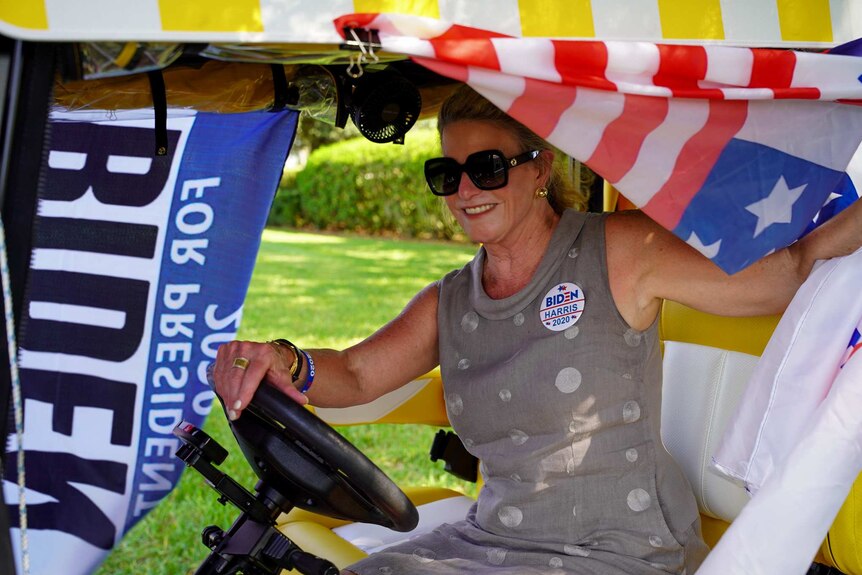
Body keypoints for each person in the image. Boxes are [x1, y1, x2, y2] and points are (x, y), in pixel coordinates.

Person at [213, 85, 862, 574]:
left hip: (625, 546)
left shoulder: (621, 251)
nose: (467, 189)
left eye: (489, 168)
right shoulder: (454, 300)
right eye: (449, 174)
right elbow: (353, 373)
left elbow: (786, 274)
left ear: (540, 169)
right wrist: (285, 360)